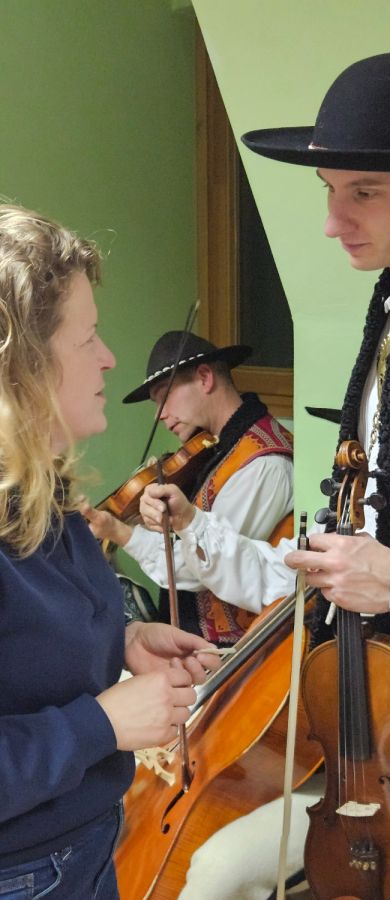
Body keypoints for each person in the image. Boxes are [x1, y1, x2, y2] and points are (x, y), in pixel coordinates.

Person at [138, 52, 390, 898]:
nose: (334, 222)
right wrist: (209, 549)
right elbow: (352, 559)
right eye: (328, 191)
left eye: (363, 192)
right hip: (379, 753)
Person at [0, 205, 219, 900]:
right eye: (86, 337)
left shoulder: (42, 487)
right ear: (21, 366)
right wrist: (100, 724)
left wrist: (118, 640)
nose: (109, 358)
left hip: (82, 844)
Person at [84, 330, 293, 645]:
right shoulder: (216, 447)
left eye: (163, 397)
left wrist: (122, 532)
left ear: (205, 378)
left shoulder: (262, 464)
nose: (159, 414)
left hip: (231, 651)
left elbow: (203, 569)